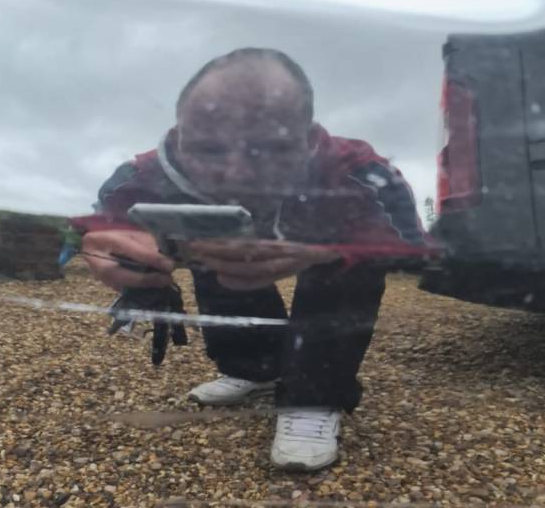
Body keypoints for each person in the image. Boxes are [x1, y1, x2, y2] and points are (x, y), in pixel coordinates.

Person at [78, 48, 428, 471]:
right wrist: (122, 260)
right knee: (211, 247)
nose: (237, 174)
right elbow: (97, 225)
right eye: (208, 148)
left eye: (270, 148)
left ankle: (314, 396)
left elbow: (409, 242)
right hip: (227, 242)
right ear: (177, 134)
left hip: (323, 241)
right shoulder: (140, 175)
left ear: (308, 137)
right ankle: (254, 367)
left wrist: (333, 250)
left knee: (353, 264)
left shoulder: (357, 169)